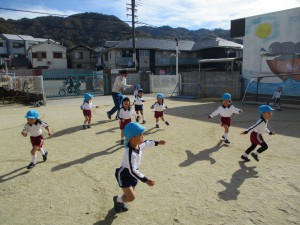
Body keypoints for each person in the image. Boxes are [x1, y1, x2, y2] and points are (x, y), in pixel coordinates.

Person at [113, 122, 166, 213]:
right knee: (131, 197)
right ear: (132, 138)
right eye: (140, 135)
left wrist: (158, 142)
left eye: (142, 134)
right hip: (124, 175)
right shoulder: (129, 153)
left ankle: (120, 201)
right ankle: (117, 200)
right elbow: (132, 170)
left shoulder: (138, 145)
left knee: (129, 195)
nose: (143, 136)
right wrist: (146, 180)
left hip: (133, 175)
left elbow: (147, 143)